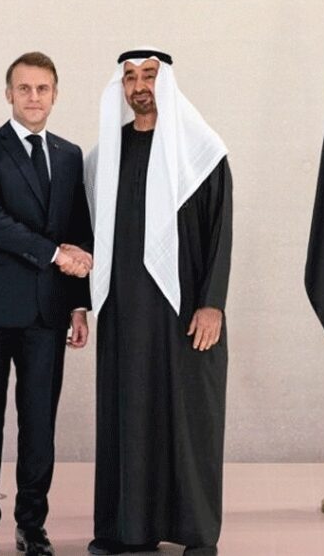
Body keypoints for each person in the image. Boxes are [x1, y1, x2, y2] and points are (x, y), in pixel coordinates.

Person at [85, 49, 233, 556]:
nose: (138, 85)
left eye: (148, 75)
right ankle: (127, 531)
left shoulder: (202, 152)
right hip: (124, 315)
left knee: (190, 422)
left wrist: (212, 303)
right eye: (129, 77)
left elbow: (220, 231)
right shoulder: (105, 156)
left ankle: (197, 534)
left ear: (165, 82)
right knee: (128, 418)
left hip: (185, 314)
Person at [0, 52, 94, 556]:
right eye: (24, 88)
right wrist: (56, 254)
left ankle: (32, 526)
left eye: (42, 88)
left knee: (39, 425)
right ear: (8, 93)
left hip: (47, 311)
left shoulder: (70, 155)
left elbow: (78, 227)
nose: (34, 97)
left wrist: (78, 307)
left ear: (55, 94)